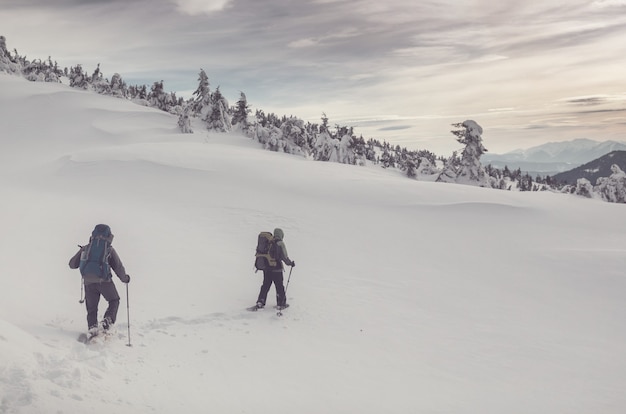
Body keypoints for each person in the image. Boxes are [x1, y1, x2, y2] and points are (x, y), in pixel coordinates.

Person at [69, 224, 130, 333]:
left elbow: (72, 264)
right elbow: (118, 267)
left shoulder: (86, 248)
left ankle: (92, 329)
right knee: (114, 300)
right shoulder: (109, 250)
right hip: (105, 282)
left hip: (88, 282)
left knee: (92, 309)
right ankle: (107, 321)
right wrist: (125, 278)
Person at [256, 228, 295, 309]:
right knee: (279, 286)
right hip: (277, 269)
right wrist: (290, 263)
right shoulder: (280, 243)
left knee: (265, 285)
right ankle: (281, 303)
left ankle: (260, 301)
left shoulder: (269, 242)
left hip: (267, 269)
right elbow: (284, 257)